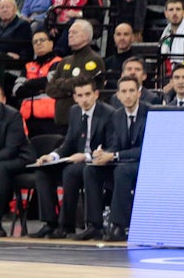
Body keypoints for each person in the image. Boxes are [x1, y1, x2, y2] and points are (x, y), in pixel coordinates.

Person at [34, 77, 112, 240]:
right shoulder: (74, 111)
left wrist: (85, 156)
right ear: (75, 97)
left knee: (71, 172)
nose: (84, 99)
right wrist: (52, 155)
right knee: (43, 171)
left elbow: (112, 146)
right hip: (74, 159)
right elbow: (68, 142)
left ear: (96, 94)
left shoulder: (108, 113)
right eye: (80, 95)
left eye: (87, 94)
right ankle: (50, 223)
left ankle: (66, 226)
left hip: (96, 162)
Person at [93, 73, 148, 242]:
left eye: (132, 90)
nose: (128, 95)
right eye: (124, 91)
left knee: (122, 171)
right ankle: (93, 225)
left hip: (146, 164)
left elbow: (146, 149)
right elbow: (115, 145)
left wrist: (114, 155)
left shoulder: (150, 112)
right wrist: (103, 154)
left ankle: (118, 225)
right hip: (123, 163)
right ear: (118, 95)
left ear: (139, 93)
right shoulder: (116, 116)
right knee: (91, 170)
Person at [0, 75, 35, 236]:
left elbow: (11, 149)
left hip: (21, 157)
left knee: (0, 167)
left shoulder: (12, 116)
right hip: (0, 157)